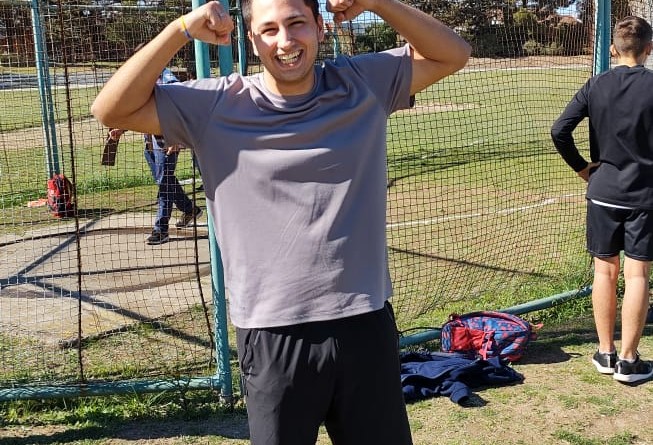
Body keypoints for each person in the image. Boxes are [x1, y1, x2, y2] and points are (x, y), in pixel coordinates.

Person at [91, 0, 470, 442]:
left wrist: (376, 2)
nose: (286, 41)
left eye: (297, 24)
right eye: (269, 29)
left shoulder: (362, 82)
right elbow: (110, 110)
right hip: (272, 333)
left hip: (364, 322)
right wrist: (181, 29)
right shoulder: (215, 104)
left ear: (320, 28)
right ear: (252, 40)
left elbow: (453, 54)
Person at [551, 15, 653, 384]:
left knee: (604, 272)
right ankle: (628, 360)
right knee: (638, 273)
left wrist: (582, 168)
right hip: (645, 195)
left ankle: (606, 352)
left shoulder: (595, 84)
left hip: (604, 193)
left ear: (613, 49)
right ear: (649, 48)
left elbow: (559, 130)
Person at [106, 67, 202, 246]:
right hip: (150, 142)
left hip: (167, 142)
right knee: (165, 180)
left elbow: (178, 109)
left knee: (164, 184)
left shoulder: (167, 80)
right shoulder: (142, 81)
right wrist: (121, 129)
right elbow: (141, 112)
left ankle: (160, 229)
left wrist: (176, 139)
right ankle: (190, 209)